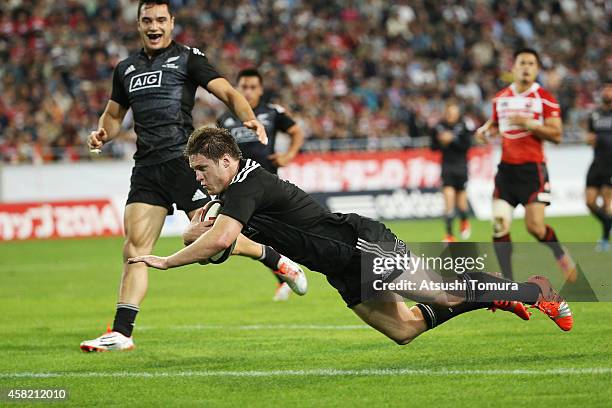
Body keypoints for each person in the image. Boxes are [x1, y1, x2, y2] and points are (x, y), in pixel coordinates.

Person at [128, 126, 574, 348]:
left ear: (225, 161)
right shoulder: (232, 195)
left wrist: (168, 260)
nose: (200, 180)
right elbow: (205, 236)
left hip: (358, 244)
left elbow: (221, 241)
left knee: (444, 294)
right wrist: (197, 228)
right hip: (339, 269)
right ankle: (493, 294)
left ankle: (535, 288)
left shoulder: (248, 184)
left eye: (202, 170)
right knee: (404, 330)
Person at [79, 0, 307, 353]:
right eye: (146, 20)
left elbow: (228, 91)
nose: (153, 26)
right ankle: (122, 333)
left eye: (160, 20)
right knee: (134, 250)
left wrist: (248, 117)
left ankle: (272, 258)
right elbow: (113, 113)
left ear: (171, 23)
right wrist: (102, 133)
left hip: (186, 164)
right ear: (139, 25)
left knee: (205, 240)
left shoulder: (188, 58)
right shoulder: (125, 68)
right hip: (147, 168)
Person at [475, 48, 576, 282]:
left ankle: (559, 252)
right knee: (499, 225)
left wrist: (529, 123)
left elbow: (557, 135)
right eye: (523, 63)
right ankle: (508, 284)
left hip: (533, 171)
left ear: (537, 69)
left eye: (531, 63)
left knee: (535, 228)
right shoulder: (501, 98)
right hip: (507, 171)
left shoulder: (545, 99)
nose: (527, 67)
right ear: (514, 67)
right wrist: (484, 131)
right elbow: (495, 124)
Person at [218, 68, 305, 300]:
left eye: (252, 87)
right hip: (238, 188)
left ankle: (287, 270)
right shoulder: (226, 117)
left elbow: (296, 132)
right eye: (243, 87)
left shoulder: (272, 112)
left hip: (268, 184)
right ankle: (285, 273)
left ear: (261, 89)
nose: (248, 91)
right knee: (255, 236)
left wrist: (288, 155)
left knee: (272, 232)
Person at [431, 100, 473, 242]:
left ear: (457, 113)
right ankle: (449, 235)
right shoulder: (439, 127)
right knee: (448, 200)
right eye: (449, 113)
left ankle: (464, 221)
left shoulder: (464, 126)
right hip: (447, 167)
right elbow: (433, 146)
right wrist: (440, 141)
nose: (451, 115)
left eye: (454, 113)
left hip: (461, 167)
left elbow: (467, 145)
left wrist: (453, 139)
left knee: (461, 204)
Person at [585, 83, 612, 252]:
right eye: (605, 89)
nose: (607, 92)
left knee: (607, 203)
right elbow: (589, 135)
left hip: (611, 165)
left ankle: (604, 240)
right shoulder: (594, 115)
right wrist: (589, 139)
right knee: (589, 202)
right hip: (596, 164)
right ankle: (608, 222)